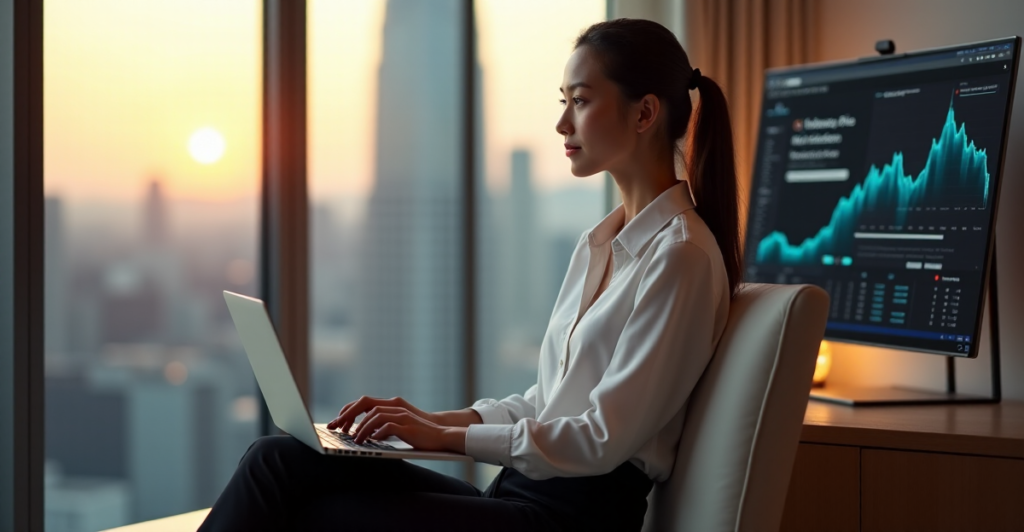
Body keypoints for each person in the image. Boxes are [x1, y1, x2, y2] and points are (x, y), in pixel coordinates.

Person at [199, 17, 741, 532]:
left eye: (580, 101)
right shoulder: (600, 244)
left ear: (645, 113)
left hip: (572, 519)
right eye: (564, 102)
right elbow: (546, 403)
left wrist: (444, 438)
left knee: (319, 515)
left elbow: (601, 437)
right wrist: (429, 419)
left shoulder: (682, 257)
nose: (562, 123)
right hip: (519, 493)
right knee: (281, 458)